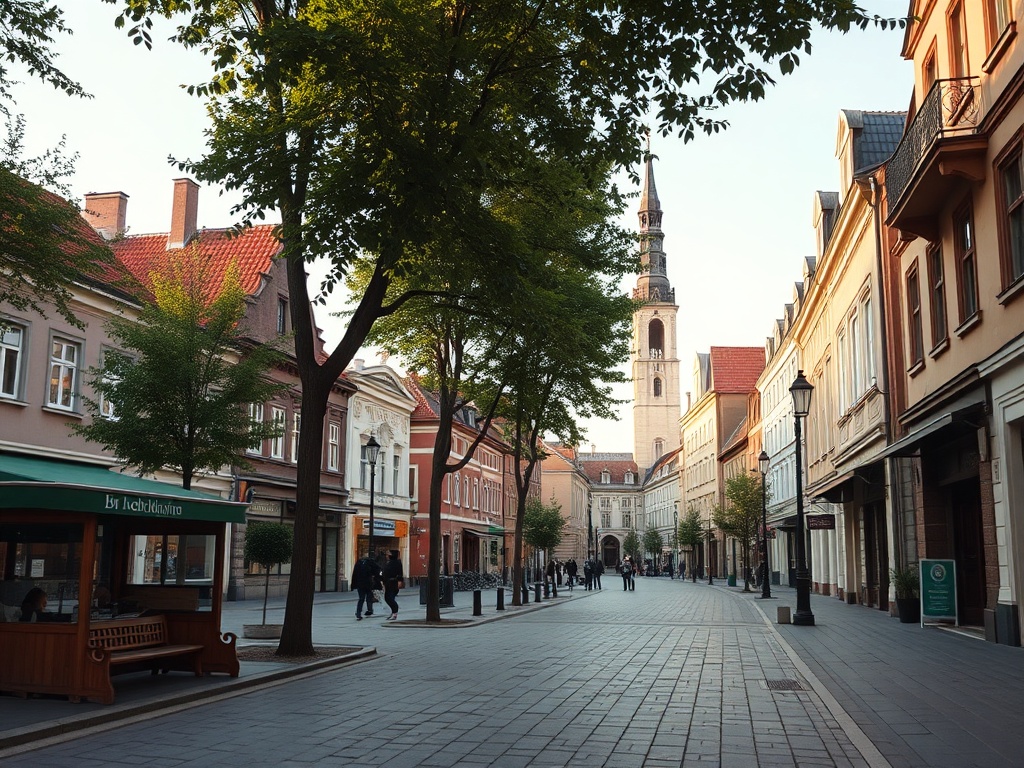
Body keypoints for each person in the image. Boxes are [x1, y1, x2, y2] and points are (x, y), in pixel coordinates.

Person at [351, 555, 382, 620]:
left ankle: (359, 612)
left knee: (362, 598)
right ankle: (369, 610)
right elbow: (378, 569)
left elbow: (355, 574)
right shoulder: (370, 562)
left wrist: (353, 585)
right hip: (368, 583)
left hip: (361, 583)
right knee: (368, 597)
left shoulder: (359, 563)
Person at [382, 549, 404, 621]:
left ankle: (395, 612)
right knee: (387, 597)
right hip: (387, 582)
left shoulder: (397, 563)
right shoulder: (388, 563)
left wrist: (400, 581)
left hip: (393, 582)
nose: (386, 556)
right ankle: (393, 612)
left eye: (388, 554)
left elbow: (400, 573)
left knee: (390, 597)